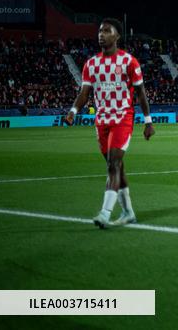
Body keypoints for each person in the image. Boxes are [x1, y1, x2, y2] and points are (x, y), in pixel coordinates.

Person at [63, 18, 153, 229]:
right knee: (116, 167)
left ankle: (104, 213)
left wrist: (148, 122)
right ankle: (129, 212)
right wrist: (73, 111)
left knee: (113, 164)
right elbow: (84, 93)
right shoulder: (91, 64)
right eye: (99, 31)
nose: (101, 34)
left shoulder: (129, 61)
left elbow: (141, 93)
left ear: (117, 36)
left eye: (106, 31)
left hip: (122, 118)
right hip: (102, 122)